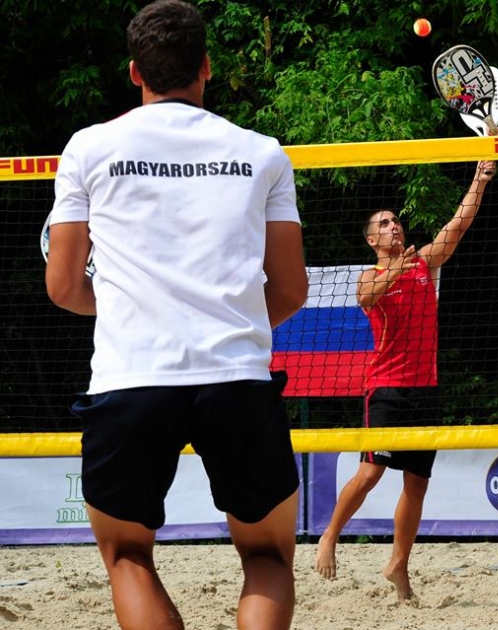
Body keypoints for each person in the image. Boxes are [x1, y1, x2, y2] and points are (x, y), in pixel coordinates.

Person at [44, 1, 307, 628]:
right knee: (267, 557)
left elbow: (62, 285)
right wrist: (230, 321)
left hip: (131, 378)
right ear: (206, 68)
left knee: (129, 556)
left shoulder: (87, 148)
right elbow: (292, 290)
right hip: (236, 376)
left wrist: (136, 312)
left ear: (135, 71)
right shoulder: (262, 151)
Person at [315, 160, 496, 603]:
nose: (394, 226)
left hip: (425, 389)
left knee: (416, 483)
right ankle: (329, 536)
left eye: (396, 220)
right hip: (388, 388)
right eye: (384, 224)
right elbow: (365, 297)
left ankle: (399, 564)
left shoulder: (423, 265)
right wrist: (399, 266)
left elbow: (459, 223)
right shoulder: (373, 275)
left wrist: (479, 179)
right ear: (371, 239)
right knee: (371, 470)